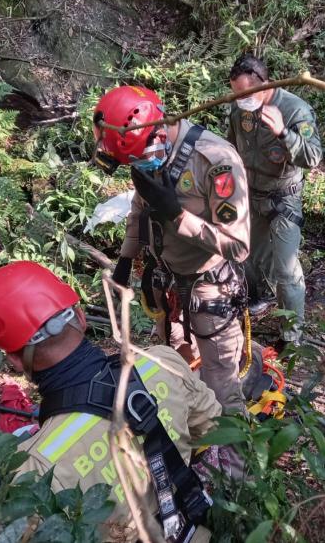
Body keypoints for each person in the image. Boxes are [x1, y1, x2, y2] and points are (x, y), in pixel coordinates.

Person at [0, 260, 222, 542]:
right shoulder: (163, 363)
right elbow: (214, 428)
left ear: (15, 359)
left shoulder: (33, 467)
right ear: (80, 317)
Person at [94, 85, 251, 414]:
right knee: (177, 360)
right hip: (166, 280)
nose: (138, 166)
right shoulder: (147, 154)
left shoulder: (214, 161)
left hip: (209, 285)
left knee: (221, 381)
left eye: (138, 159)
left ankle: (234, 460)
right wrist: (125, 259)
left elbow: (238, 246)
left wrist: (178, 217)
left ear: (156, 132)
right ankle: (194, 427)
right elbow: (140, 208)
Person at [226, 54, 323, 350]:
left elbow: (313, 157)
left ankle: (291, 337)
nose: (240, 99)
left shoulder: (295, 110)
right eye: (235, 93)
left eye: (245, 93)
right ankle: (257, 300)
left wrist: (283, 133)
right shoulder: (238, 109)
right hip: (250, 194)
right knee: (245, 256)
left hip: (284, 199)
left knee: (287, 271)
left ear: (263, 85)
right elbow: (230, 147)